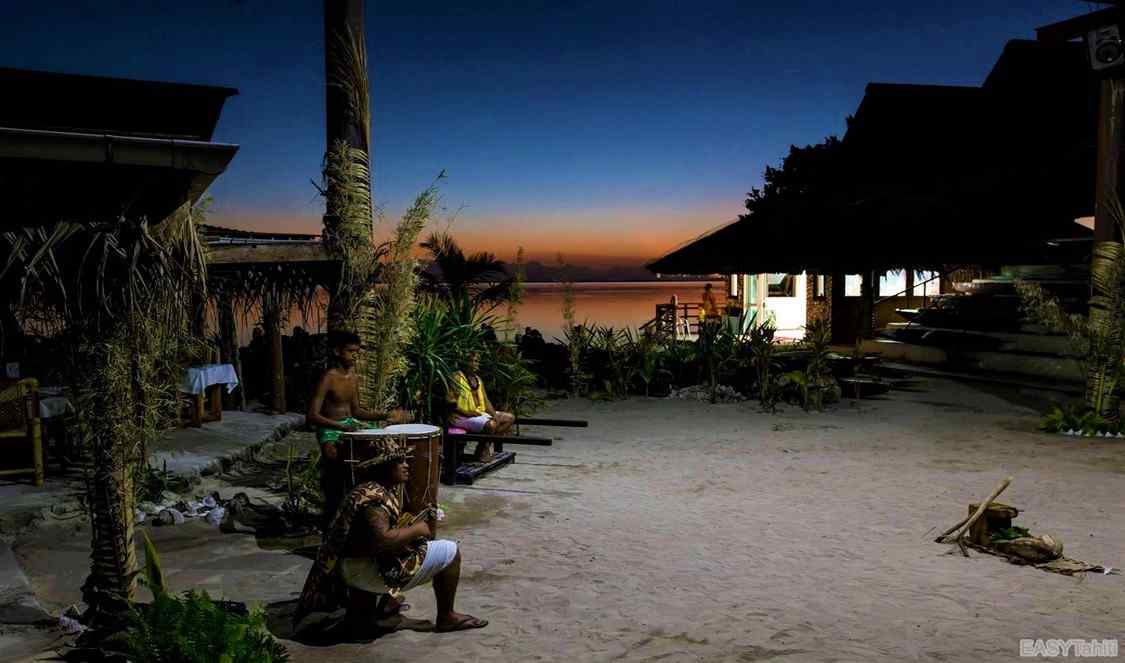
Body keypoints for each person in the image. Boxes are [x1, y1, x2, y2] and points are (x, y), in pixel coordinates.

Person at [293, 437, 488, 637]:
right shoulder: (373, 499)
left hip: (349, 567)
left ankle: (362, 617)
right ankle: (447, 617)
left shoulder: (367, 488)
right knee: (450, 552)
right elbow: (382, 541)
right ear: (383, 467)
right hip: (361, 572)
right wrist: (418, 529)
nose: (406, 465)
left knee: (398, 551)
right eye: (399, 461)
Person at [307, 330, 408, 530]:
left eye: (357, 351)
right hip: (330, 429)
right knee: (333, 457)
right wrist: (341, 426)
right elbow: (312, 416)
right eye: (350, 351)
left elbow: (357, 411)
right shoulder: (328, 377)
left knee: (383, 448)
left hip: (350, 424)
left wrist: (385, 415)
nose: (355, 355)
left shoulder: (353, 377)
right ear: (337, 351)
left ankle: (369, 509)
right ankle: (331, 517)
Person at [447, 351, 514, 463]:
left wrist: (494, 415)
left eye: (477, 361)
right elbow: (449, 400)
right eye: (473, 361)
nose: (476, 364)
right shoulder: (456, 377)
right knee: (491, 425)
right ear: (465, 362)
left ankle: (483, 447)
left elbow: (486, 401)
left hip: (478, 413)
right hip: (460, 416)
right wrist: (466, 413)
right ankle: (483, 450)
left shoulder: (477, 379)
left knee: (509, 418)